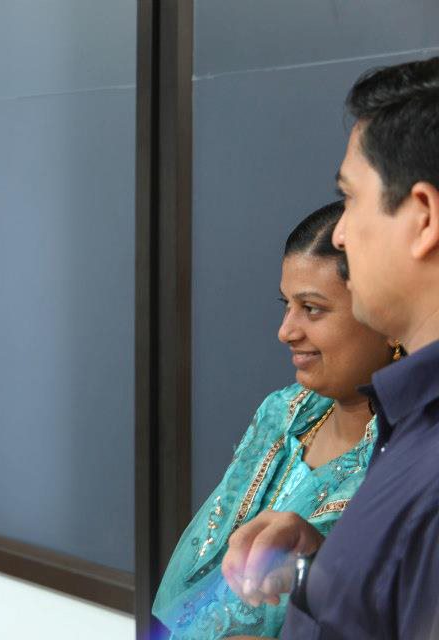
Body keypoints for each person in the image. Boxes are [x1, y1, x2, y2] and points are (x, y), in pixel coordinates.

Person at [222, 56, 439, 639]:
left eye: (350, 200)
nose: (340, 232)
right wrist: (323, 570)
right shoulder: (408, 421)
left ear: (422, 216)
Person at [153, 201, 397, 639]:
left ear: (385, 314)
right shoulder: (284, 412)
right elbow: (194, 576)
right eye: (286, 305)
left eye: (313, 308)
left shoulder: (405, 451)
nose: (286, 330)